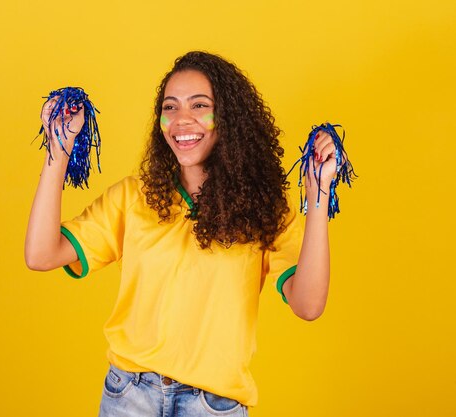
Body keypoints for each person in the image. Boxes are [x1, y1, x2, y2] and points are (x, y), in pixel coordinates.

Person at [25, 51, 336, 417]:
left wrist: (318, 197)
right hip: (129, 396)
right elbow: (41, 255)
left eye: (199, 105)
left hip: (213, 405)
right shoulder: (134, 197)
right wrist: (58, 151)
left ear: (228, 118)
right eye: (170, 107)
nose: (181, 121)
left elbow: (309, 305)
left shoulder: (265, 210)